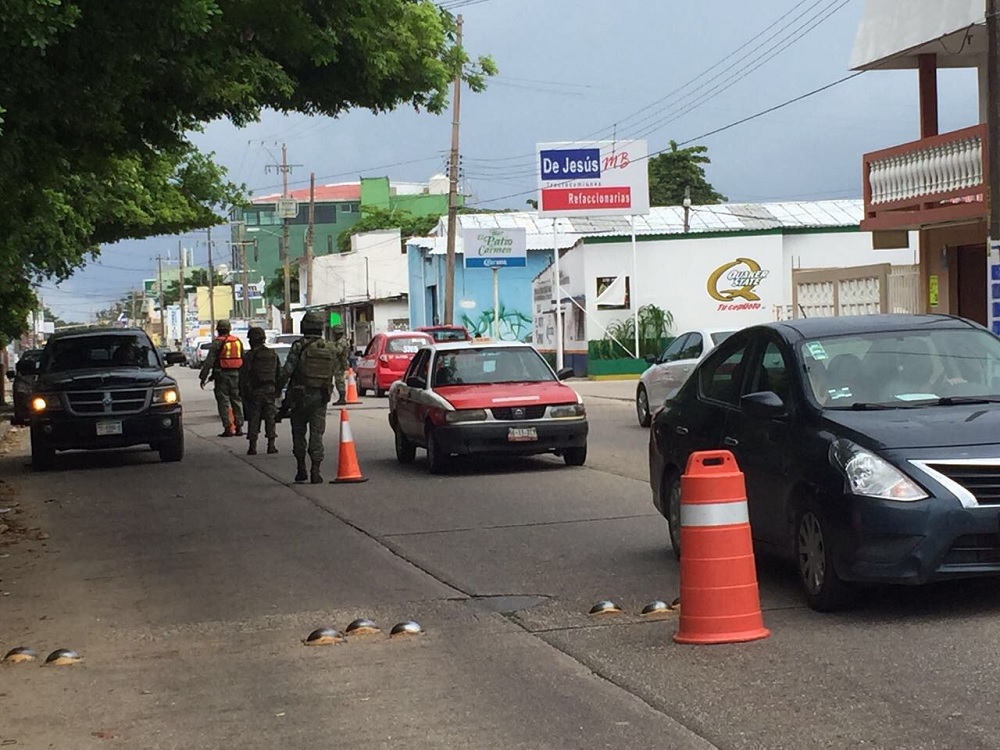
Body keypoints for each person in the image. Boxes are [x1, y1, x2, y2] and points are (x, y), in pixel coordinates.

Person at [278, 311, 336, 483]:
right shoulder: (329, 348)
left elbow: (287, 371)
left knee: (299, 432)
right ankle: (316, 471)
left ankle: (301, 468)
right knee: (317, 433)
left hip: (299, 396)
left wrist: (277, 390)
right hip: (321, 396)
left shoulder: (298, 346)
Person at [200, 319, 245, 437]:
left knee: (223, 401)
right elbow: (244, 359)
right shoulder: (237, 341)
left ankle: (228, 428)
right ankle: (239, 427)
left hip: (222, 376)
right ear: (229, 329)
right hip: (236, 375)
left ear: (219, 330)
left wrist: (203, 377)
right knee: (237, 400)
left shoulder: (217, 343)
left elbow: (209, 361)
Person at [240, 326, 280, 456]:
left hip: (255, 391)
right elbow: (279, 372)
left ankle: (253, 447)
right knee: (270, 418)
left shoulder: (250, 356)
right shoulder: (272, 354)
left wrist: (242, 391)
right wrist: (277, 389)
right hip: (270, 390)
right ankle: (271, 445)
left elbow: (244, 375)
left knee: (254, 418)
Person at [330, 324, 351, 405]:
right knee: (338, 381)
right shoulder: (338, 341)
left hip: (340, 364)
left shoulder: (341, 342)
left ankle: (342, 398)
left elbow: (338, 351)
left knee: (339, 381)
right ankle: (341, 398)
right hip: (336, 364)